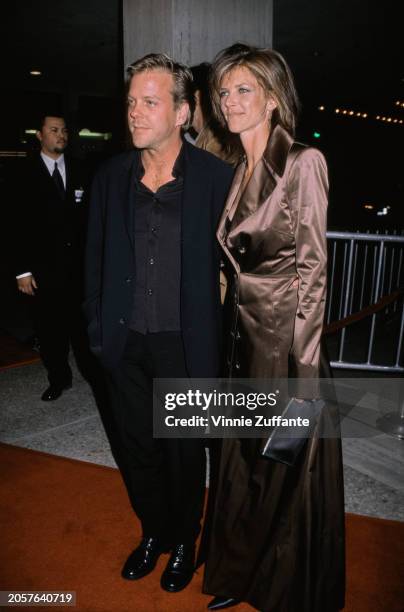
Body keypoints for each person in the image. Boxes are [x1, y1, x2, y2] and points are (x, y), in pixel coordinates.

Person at [202, 44, 345, 611]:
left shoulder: (302, 162)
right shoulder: (240, 169)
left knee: (283, 467)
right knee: (243, 465)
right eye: (223, 92)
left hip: (288, 348)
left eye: (243, 90)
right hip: (242, 341)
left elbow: (313, 270)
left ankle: (282, 587)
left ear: (271, 98)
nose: (230, 102)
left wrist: (305, 374)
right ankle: (238, 577)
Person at [84, 53, 233, 593]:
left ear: (183, 112)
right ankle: (154, 532)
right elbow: (95, 259)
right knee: (138, 448)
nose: (135, 114)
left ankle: (185, 542)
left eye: (150, 102)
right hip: (124, 343)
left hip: (186, 345)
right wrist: (98, 331)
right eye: (131, 103)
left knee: (184, 454)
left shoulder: (218, 179)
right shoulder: (110, 177)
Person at [15, 114, 89, 401]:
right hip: (42, 270)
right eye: (54, 130)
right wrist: (22, 271)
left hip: (78, 269)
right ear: (40, 135)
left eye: (64, 130)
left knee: (82, 330)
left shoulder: (81, 169)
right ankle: (59, 378)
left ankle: (93, 376)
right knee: (49, 331)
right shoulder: (23, 173)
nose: (61, 135)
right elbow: (13, 223)